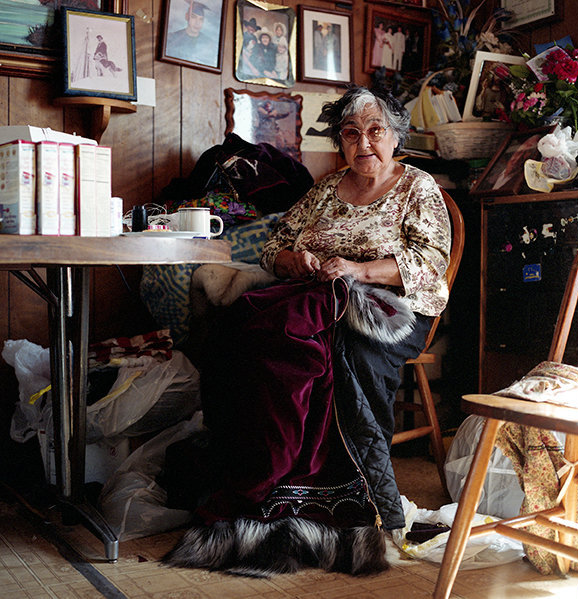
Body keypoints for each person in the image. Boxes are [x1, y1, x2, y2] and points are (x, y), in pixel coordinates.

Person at [162, 86, 451, 577]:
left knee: (318, 342)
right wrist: (293, 259)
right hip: (318, 294)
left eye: (375, 131)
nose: (364, 144)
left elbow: (430, 265)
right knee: (242, 326)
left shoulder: (416, 187)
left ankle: (329, 485)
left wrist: (359, 272)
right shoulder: (325, 188)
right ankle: (260, 474)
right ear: (340, 142)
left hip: (390, 307)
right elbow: (275, 243)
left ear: (395, 135)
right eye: (351, 133)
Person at [166, 0, 217, 67]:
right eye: (193, 17)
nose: (197, 23)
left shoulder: (209, 43)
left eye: (201, 19)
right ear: (187, 16)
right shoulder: (172, 38)